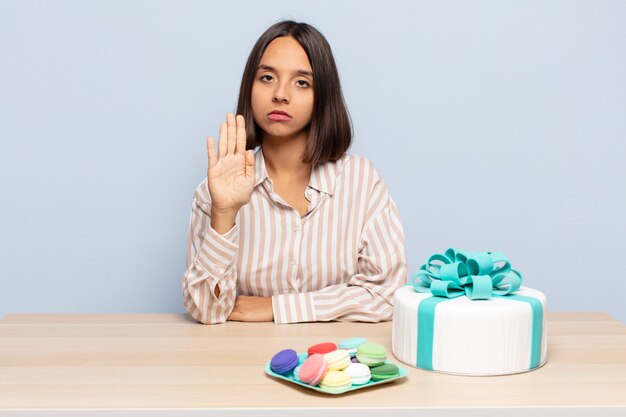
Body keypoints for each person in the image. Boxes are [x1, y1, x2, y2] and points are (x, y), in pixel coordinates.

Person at [181, 20, 408, 324]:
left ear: (322, 96)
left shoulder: (361, 181)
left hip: (335, 363)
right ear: (249, 86)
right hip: (241, 361)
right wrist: (224, 212)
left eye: (302, 82)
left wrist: (277, 307)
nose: (280, 94)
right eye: (266, 77)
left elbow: (387, 295)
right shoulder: (215, 191)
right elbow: (207, 310)